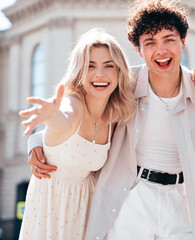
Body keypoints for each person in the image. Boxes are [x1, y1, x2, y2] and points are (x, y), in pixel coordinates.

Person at [26, 1, 195, 239]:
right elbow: (83, 116)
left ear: (183, 42)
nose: (160, 50)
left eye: (169, 39)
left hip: (181, 202)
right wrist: (36, 141)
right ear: (138, 49)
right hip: (132, 197)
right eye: (150, 42)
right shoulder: (123, 86)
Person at [18, 28, 135, 240]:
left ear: (119, 72)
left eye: (109, 66)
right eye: (90, 66)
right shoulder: (73, 103)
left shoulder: (114, 117)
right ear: (79, 72)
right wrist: (50, 115)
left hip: (85, 211)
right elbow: (63, 119)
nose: (99, 73)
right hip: (51, 210)